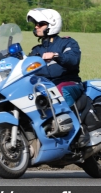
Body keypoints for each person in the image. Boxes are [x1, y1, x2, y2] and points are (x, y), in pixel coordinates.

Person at [26, 8, 89, 147]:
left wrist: (56, 55)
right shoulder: (37, 50)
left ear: (52, 24)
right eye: (35, 24)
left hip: (68, 83)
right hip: (45, 86)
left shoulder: (68, 43)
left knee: (60, 91)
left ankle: (81, 133)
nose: (36, 27)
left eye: (40, 23)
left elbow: (73, 60)